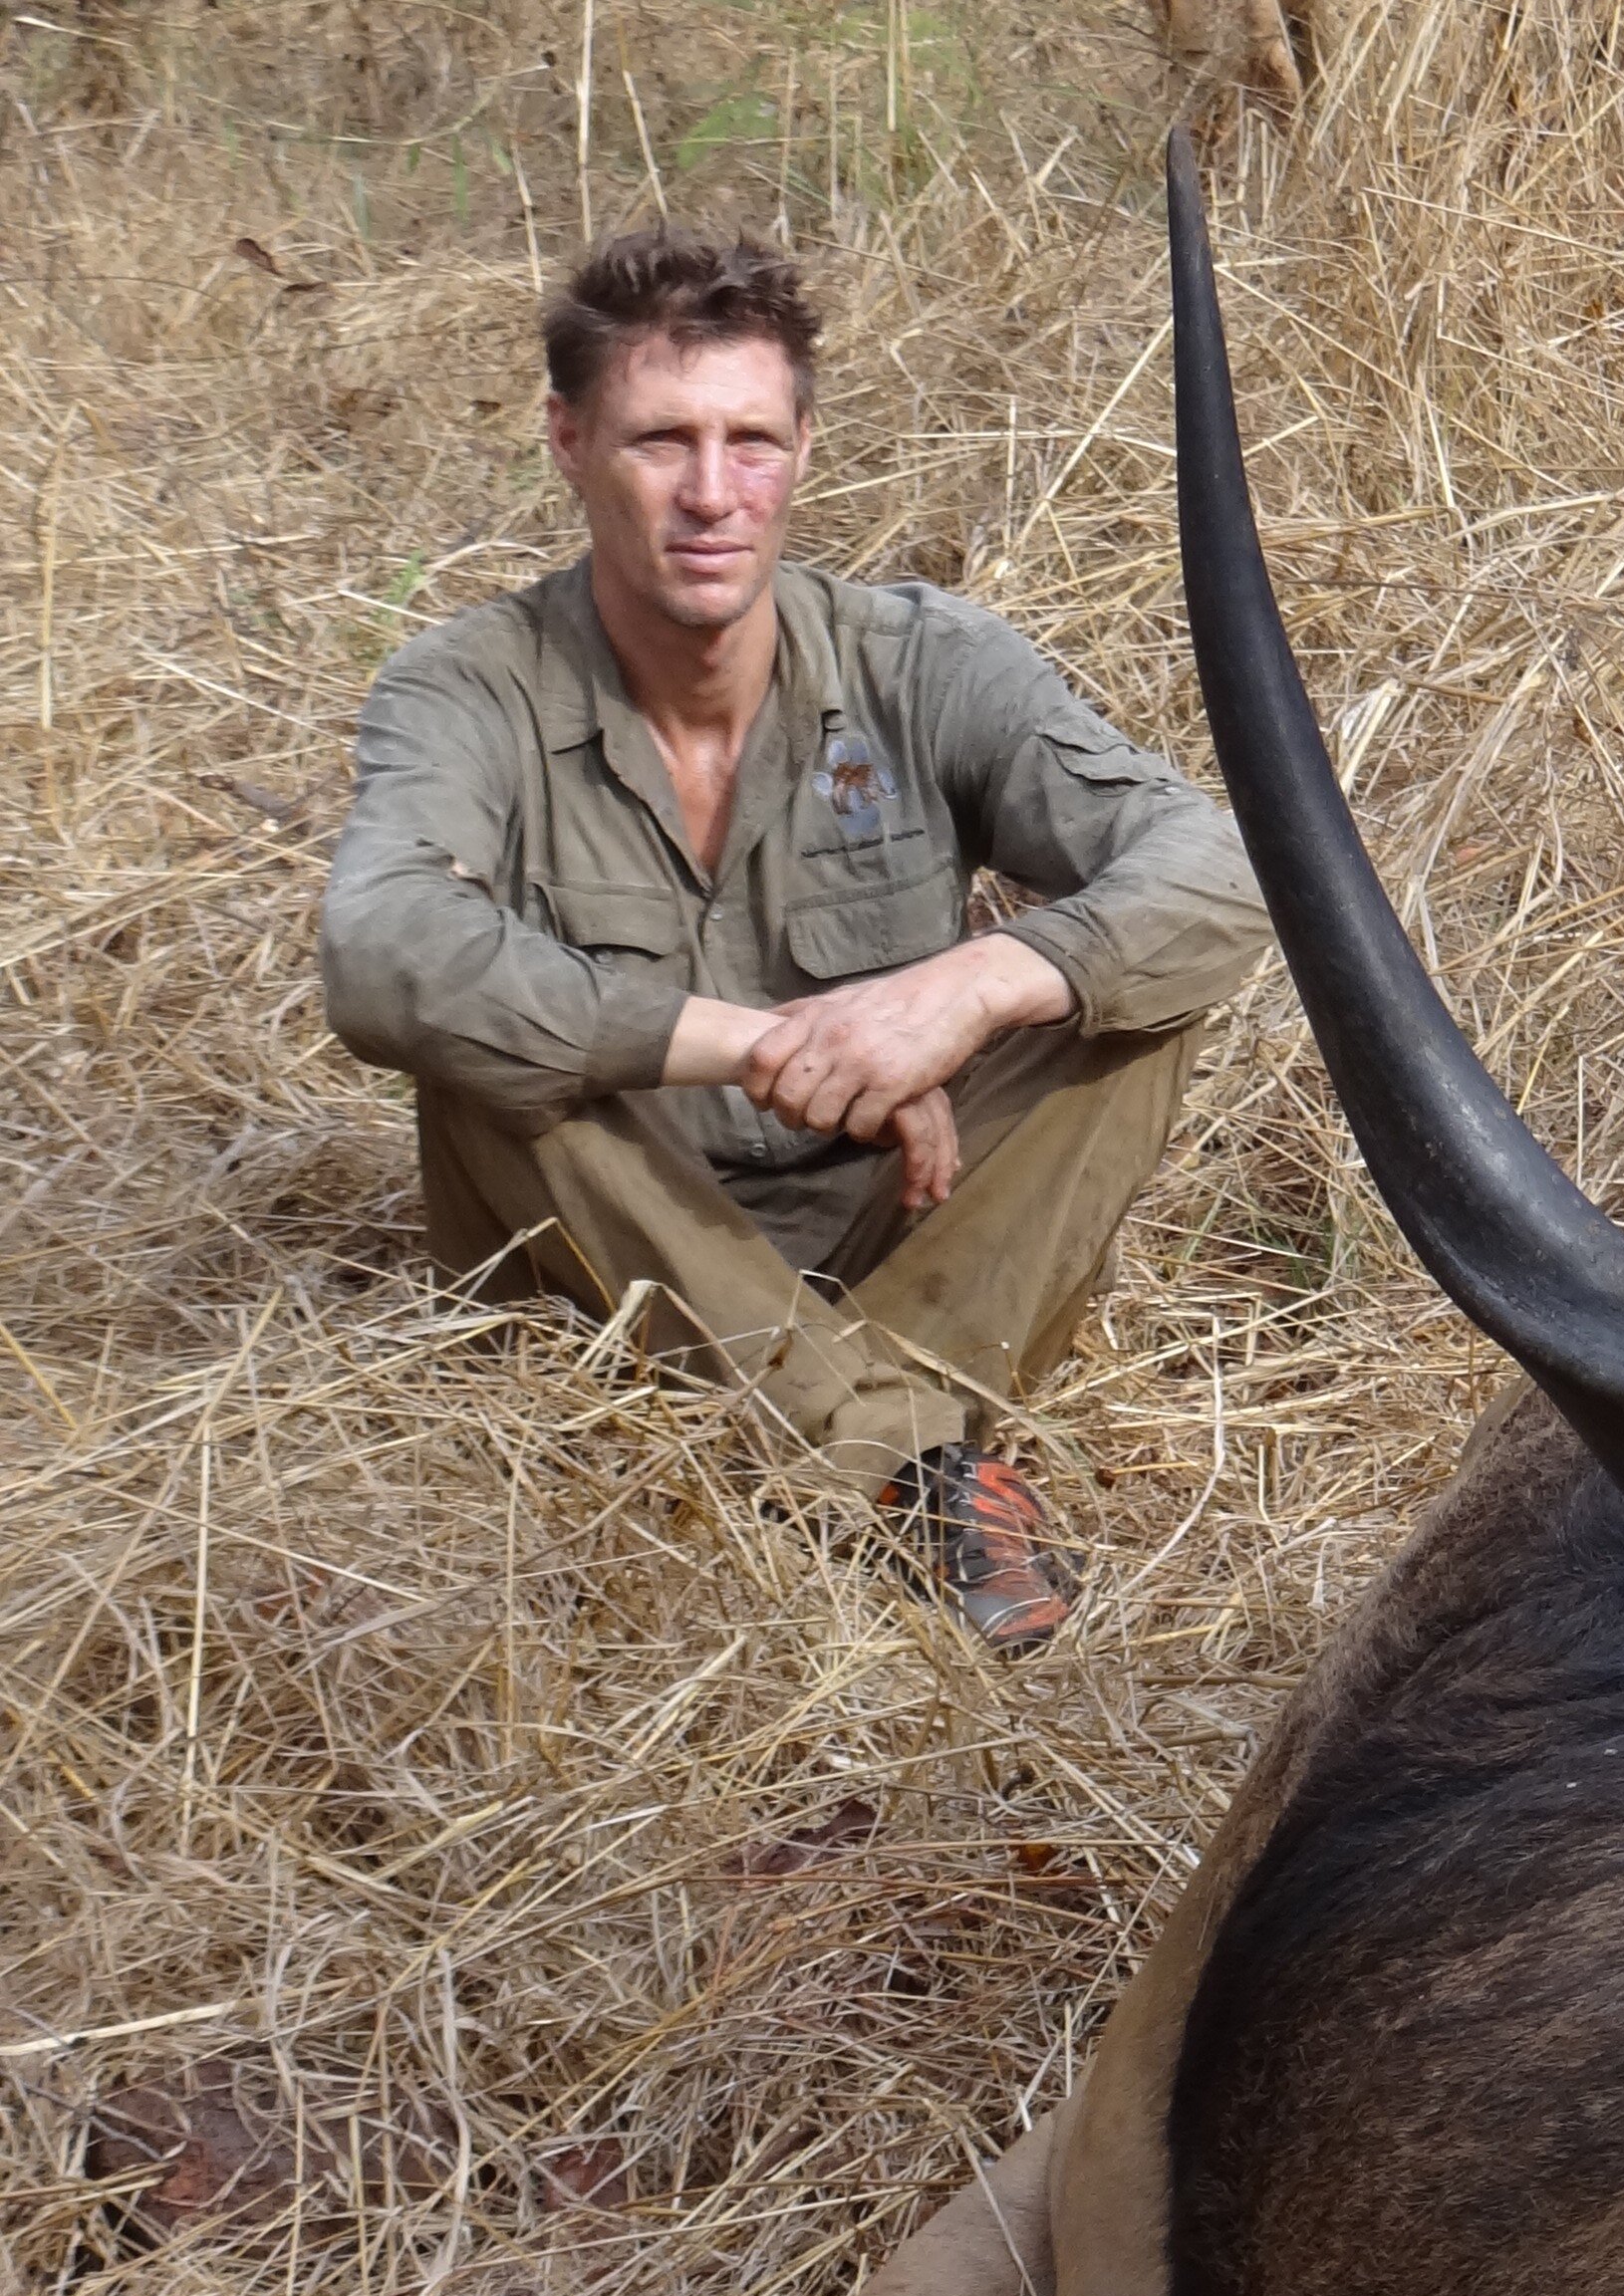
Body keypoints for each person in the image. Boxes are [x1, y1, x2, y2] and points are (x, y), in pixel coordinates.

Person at [319, 227, 1269, 1647]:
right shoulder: (467, 686)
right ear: (568, 443)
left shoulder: (922, 658)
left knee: (1126, 994)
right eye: (660, 442)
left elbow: (1228, 863)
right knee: (489, 1047)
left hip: (898, 1215)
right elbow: (381, 945)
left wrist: (967, 990)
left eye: (751, 441)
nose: (713, 495)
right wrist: (759, 1044)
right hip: (612, 1234)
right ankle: (915, 1464)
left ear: (807, 446)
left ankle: (802, 1430)